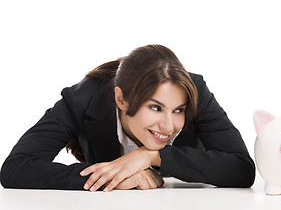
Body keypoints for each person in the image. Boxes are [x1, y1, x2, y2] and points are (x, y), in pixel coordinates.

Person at [0, 45, 255, 191]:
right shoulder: (80, 100)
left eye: (178, 110)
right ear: (121, 100)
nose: (169, 126)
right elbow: (15, 168)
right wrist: (111, 177)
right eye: (155, 108)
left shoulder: (194, 90)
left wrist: (154, 156)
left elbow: (242, 168)